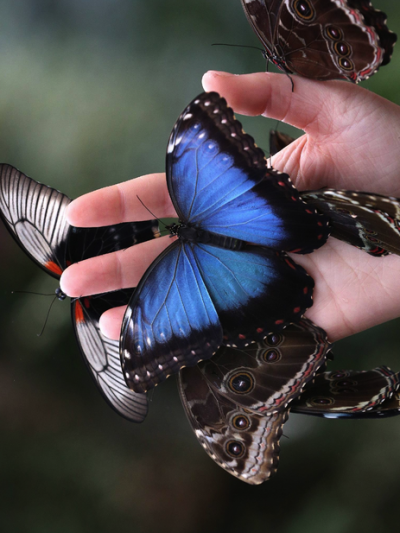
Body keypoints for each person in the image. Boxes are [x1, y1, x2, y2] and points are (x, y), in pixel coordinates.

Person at [60, 71, 400, 342]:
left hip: (247, 272)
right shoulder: (190, 198)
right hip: (264, 220)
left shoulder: (173, 259)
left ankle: (286, 279)